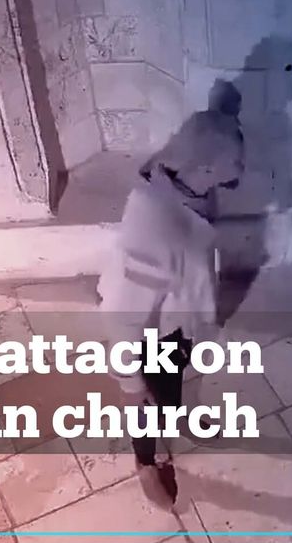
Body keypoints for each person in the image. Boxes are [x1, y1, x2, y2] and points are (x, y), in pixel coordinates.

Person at [97, 79, 245, 509]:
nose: (239, 171)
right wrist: (128, 382)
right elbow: (122, 318)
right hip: (150, 336)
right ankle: (145, 460)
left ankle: (173, 416)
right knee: (147, 397)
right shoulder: (152, 231)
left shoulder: (182, 181)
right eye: (233, 165)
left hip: (173, 321)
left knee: (172, 383)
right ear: (204, 168)